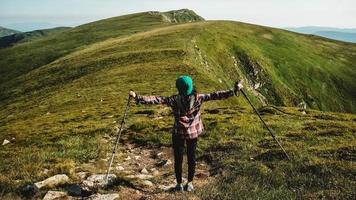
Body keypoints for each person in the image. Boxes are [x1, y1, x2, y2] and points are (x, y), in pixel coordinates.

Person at [129, 76, 243, 192]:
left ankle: (179, 184)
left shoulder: (173, 100)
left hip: (178, 133)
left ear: (178, 88)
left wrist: (137, 97)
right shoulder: (199, 98)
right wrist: (234, 91)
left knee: (178, 159)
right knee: (191, 158)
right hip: (193, 134)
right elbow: (216, 95)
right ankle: (189, 183)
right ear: (191, 86)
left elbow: (156, 99)